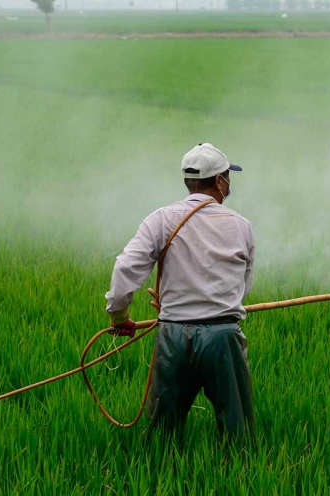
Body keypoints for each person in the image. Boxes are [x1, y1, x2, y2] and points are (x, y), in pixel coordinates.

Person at [104, 143, 256, 444]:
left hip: (173, 335)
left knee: (163, 435)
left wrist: (119, 316)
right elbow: (242, 286)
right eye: (227, 176)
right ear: (219, 180)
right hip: (223, 336)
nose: (229, 182)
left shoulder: (161, 219)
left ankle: (157, 477)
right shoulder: (241, 226)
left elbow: (125, 269)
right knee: (238, 433)